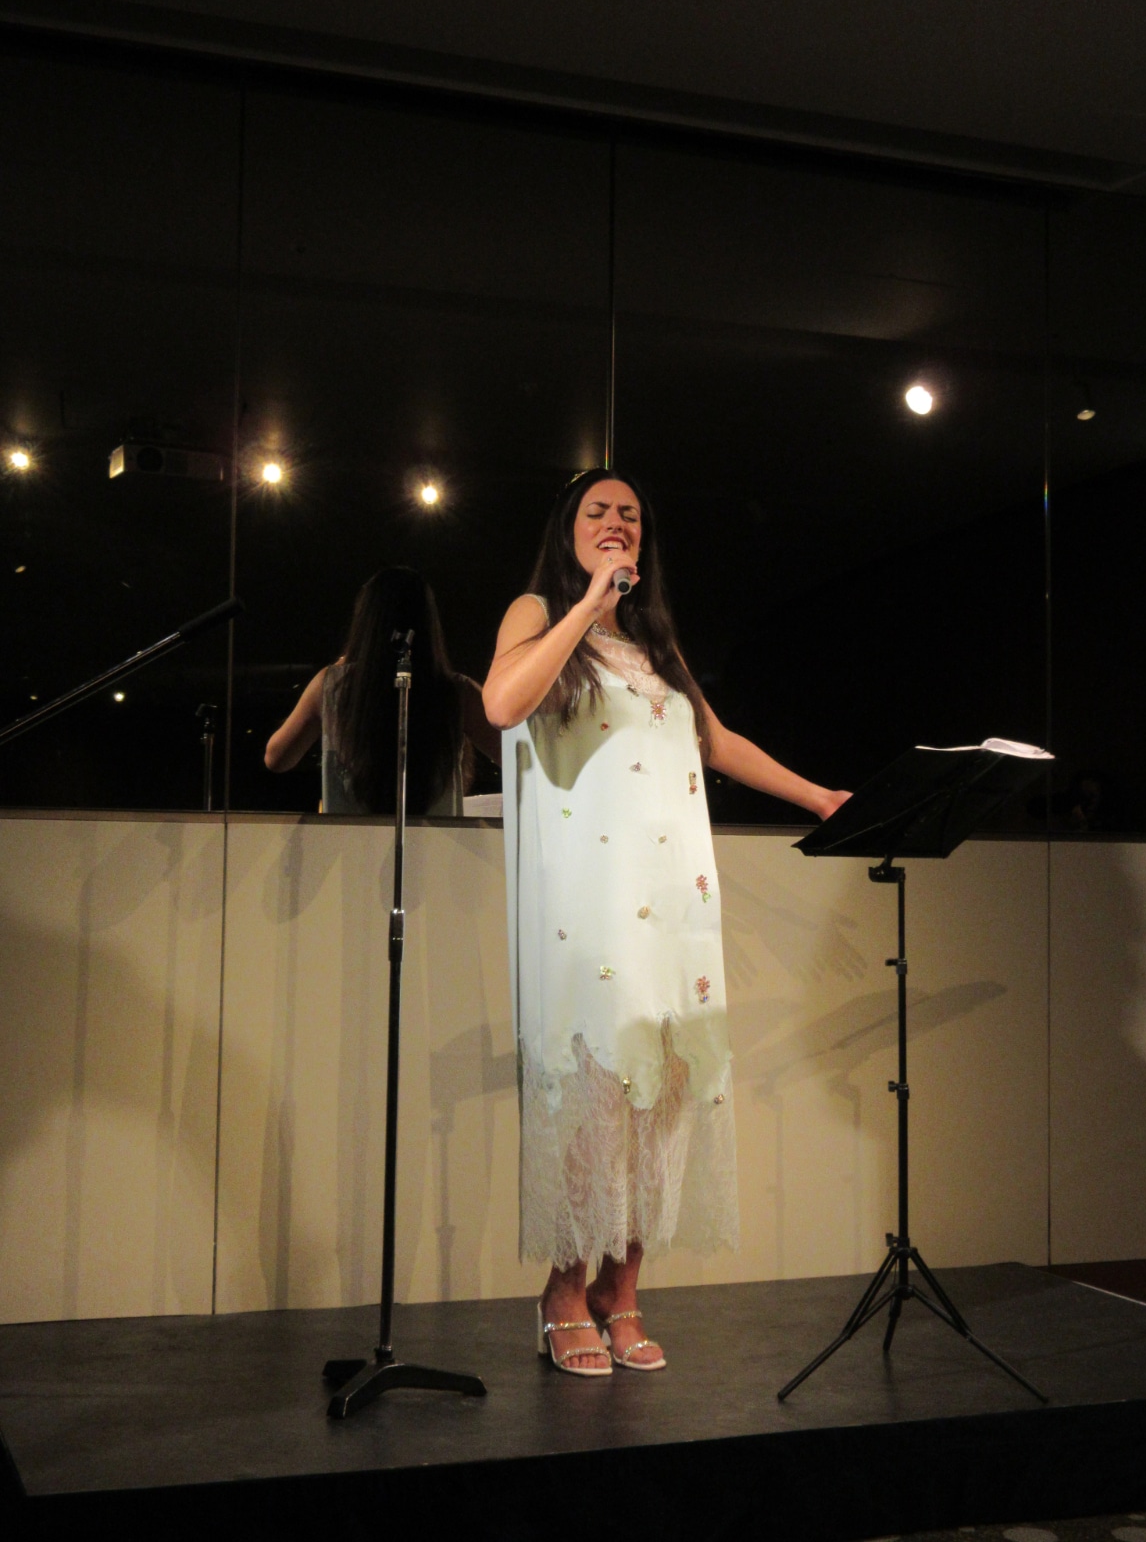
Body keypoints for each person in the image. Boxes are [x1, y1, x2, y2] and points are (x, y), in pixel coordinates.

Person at [483, 470, 849, 1377]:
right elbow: (501, 704)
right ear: (566, 531)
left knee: (670, 1087)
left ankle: (623, 1286)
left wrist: (818, 796)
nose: (616, 527)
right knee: (600, 1092)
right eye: (598, 514)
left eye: (631, 518)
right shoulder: (537, 611)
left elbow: (715, 744)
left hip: (675, 897)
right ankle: (563, 1289)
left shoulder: (658, 648)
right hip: (594, 902)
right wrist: (588, 609)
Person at [265, 565, 500, 813]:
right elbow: (514, 755)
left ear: (365, 623)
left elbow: (276, 758)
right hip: (435, 848)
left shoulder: (330, 686)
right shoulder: (456, 692)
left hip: (350, 846)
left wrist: (336, 668)